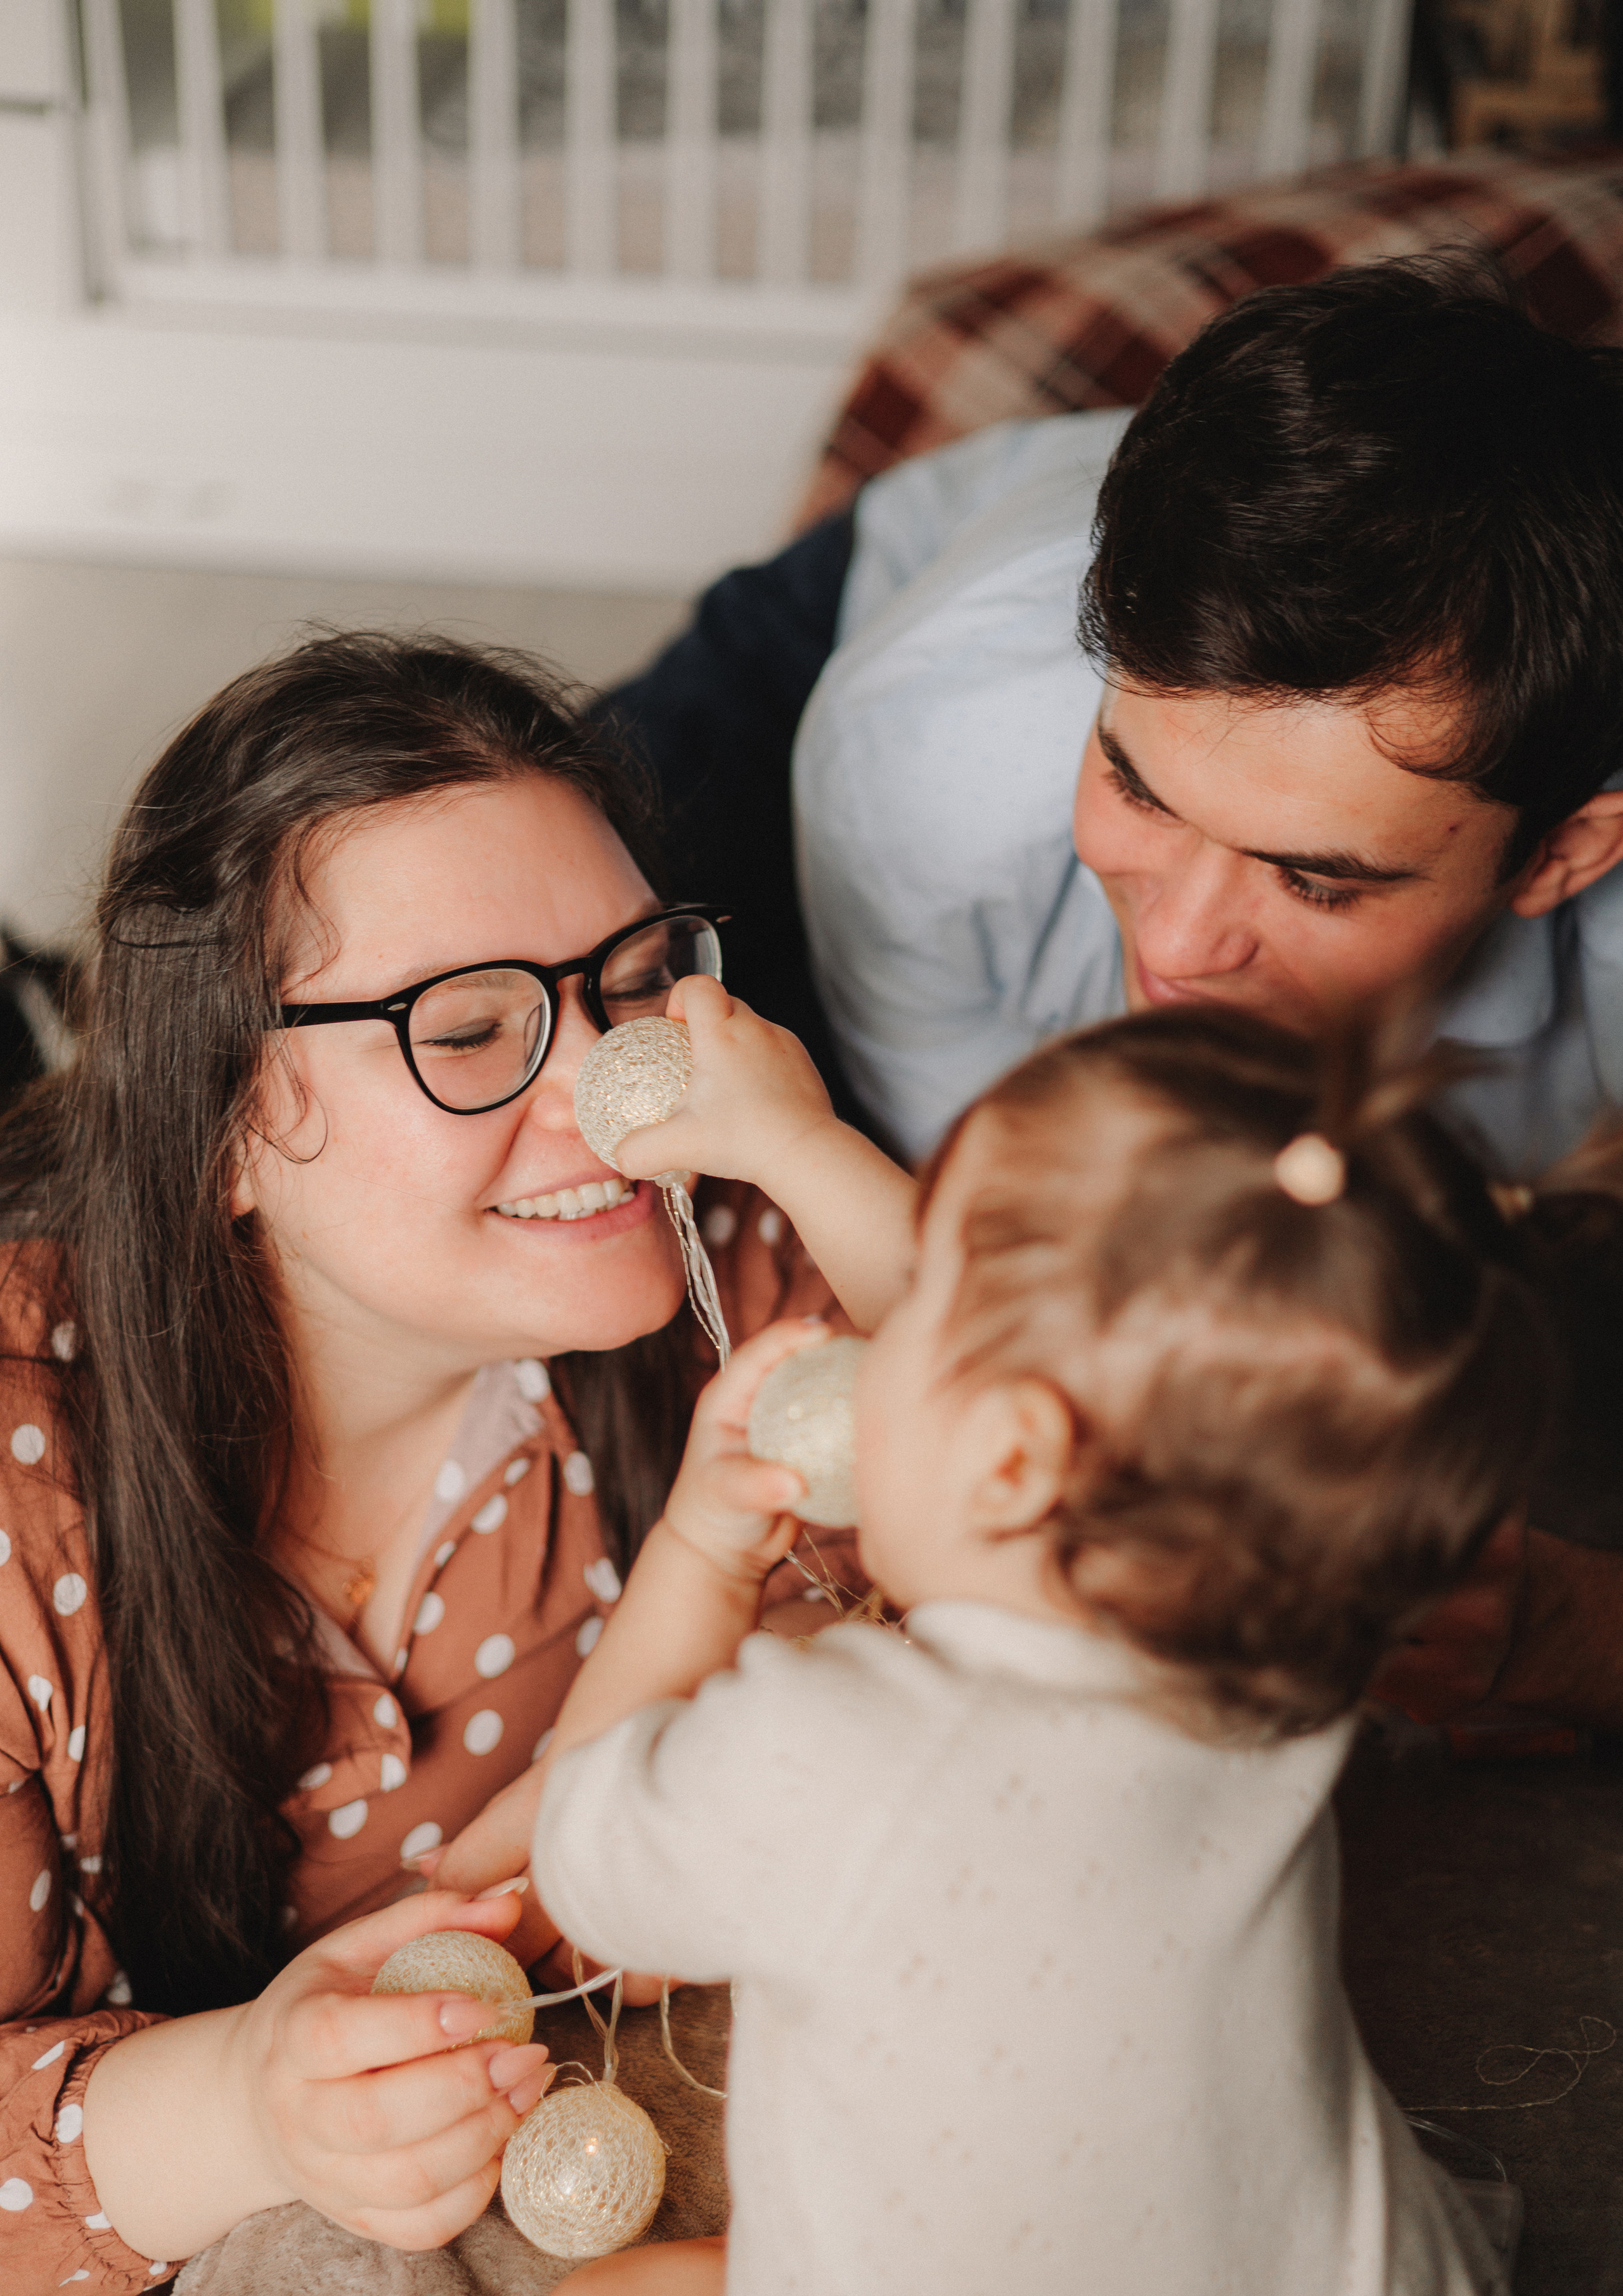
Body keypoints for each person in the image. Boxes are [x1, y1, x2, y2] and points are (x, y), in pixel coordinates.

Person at [482, 983, 1549, 2296]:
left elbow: (590, 1847)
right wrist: (795, 1145)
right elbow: (1029, 1350)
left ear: (1009, 1461)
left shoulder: (834, 1752)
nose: (866, 1333)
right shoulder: (1278, 1662)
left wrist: (695, 1555)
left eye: (907, 1319)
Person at [0, 635, 845, 2296]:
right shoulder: (22, 1482)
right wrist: (253, 2104)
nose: (620, 1092)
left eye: (634, 987)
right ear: (223, 1124)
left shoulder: (733, 1286)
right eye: (470, 1029)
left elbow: (1060, 1586)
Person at [605, 252, 1623, 1724]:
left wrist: (1580, 1635)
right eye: (1136, 790)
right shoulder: (933, 771)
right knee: (477, 986)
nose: (1183, 946)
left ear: (1561, 855)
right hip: (854, 646)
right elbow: (1016, 1285)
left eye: (1316, 880)